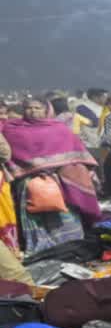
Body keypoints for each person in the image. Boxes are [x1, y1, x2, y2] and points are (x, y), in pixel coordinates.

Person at [1, 98, 101, 252]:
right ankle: (39, 248)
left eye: (38, 108)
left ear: (47, 110)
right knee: (35, 217)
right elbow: (9, 156)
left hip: (60, 181)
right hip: (28, 182)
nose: (33, 111)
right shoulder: (12, 129)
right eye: (29, 108)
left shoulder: (59, 129)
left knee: (63, 216)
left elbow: (76, 155)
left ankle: (71, 245)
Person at [73, 88, 107, 160]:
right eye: (104, 96)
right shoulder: (83, 107)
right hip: (92, 144)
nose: (106, 99)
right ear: (95, 97)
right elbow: (96, 123)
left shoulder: (101, 107)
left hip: (101, 142)